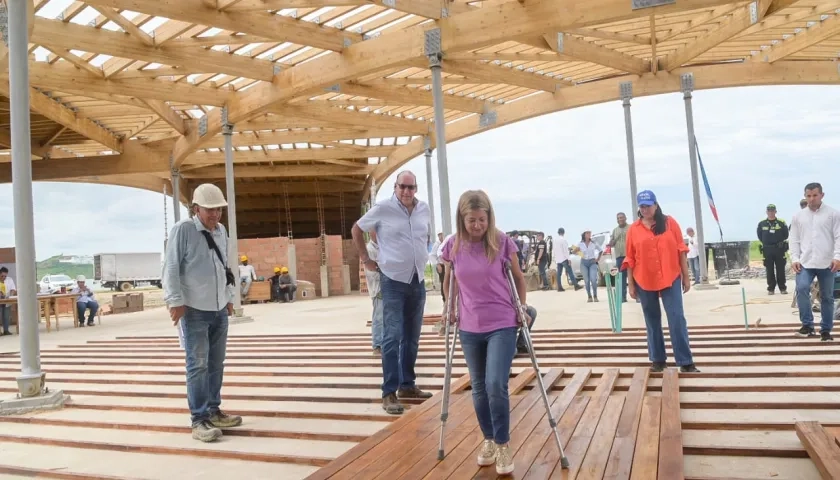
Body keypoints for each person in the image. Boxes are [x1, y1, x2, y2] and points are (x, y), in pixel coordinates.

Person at [440, 189, 530, 475]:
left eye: (481, 220)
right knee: (478, 386)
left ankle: (503, 443)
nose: (477, 225)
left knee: (495, 384)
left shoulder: (502, 242)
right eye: (471, 220)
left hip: (502, 322)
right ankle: (488, 439)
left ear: (489, 218)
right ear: (461, 219)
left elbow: (518, 278)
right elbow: (449, 281)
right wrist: (449, 307)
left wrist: (522, 308)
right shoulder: (453, 246)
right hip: (469, 325)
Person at [163, 183, 241, 443]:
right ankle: (199, 420)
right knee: (197, 365)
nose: (215, 215)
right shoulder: (183, 230)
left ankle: (214, 410)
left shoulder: (221, 231)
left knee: (216, 364)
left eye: (218, 210)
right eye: (210, 210)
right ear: (196, 208)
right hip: (194, 309)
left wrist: (229, 298)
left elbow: (225, 266)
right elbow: (171, 267)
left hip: (218, 309)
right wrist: (175, 301)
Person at [351, 170, 431, 415]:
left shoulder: (424, 209)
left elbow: (424, 236)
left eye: (411, 187)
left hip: (417, 280)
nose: (407, 192)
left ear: (416, 188)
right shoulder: (383, 208)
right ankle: (389, 392)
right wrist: (365, 259)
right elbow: (357, 228)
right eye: (402, 187)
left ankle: (407, 384)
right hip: (393, 280)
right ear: (395, 187)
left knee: (412, 337)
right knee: (392, 337)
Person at [624, 190, 699, 373]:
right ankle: (658, 360)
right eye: (642, 206)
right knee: (652, 319)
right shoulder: (633, 229)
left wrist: (686, 276)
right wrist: (631, 284)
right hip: (644, 279)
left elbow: (681, 250)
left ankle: (685, 361)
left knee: (676, 318)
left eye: (648, 205)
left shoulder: (669, 223)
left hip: (670, 276)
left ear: (656, 205)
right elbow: (630, 259)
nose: (645, 209)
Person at [789, 182, 840, 342]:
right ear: (805, 196)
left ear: (822, 195)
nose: (811, 199)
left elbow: (838, 237)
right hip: (805, 262)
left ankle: (825, 330)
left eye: (814, 195)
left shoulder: (833, 214)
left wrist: (837, 257)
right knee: (802, 288)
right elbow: (794, 239)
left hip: (827, 263)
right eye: (808, 196)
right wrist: (795, 258)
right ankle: (807, 326)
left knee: (827, 297)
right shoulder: (798, 217)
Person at [757, 204, 789, 295]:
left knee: (781, 269)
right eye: (769, 211)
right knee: (769, 270)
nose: (771, 212)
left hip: (779, 249)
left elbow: (786, 234)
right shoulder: (762, 223)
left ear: (775, 211)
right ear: (766, 212)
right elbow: (760, 235)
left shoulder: (781, 222)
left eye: (772, 211)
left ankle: (782, 288)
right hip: (767, 249)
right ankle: (771, 288)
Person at [366, 230, 383, 356]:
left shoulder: (383, 246)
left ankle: (386, 344)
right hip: (378, 289)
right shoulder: (369, 249)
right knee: (379, 317)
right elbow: (372, 273)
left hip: (388, 287)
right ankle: (377, 345)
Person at [609, 212, 629, 301]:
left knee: (634, 276)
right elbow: (611, 244)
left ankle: (638, 296)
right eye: (618, 218)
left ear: (625, 218)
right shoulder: (615, 230)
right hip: (619, 257)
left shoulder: (631, 228)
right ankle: (623, 297)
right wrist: (613, 240)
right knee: (621, 277)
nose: (620, 219)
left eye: (621, 217)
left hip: (630, 255)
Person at [578, 230, 602, 302]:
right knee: (587, 280)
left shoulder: (593, 243)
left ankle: (595, 295)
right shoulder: (580, 243)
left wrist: (597, 259)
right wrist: (581, 254)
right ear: (584, 234)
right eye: (587, 233)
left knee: (593, 279)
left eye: (590, 233)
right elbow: (574, 251)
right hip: (583, 263)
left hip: (592, 262)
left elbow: (600, 250)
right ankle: (589, 296)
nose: (589, 234)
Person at [0, 267, 17, 335]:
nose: (4, 277)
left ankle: (6, 330)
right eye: (2, 276)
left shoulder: (9, 279)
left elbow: (13, 289)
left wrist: (10, 296)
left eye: (5, 276)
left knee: (6, 316)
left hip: (7, 300)